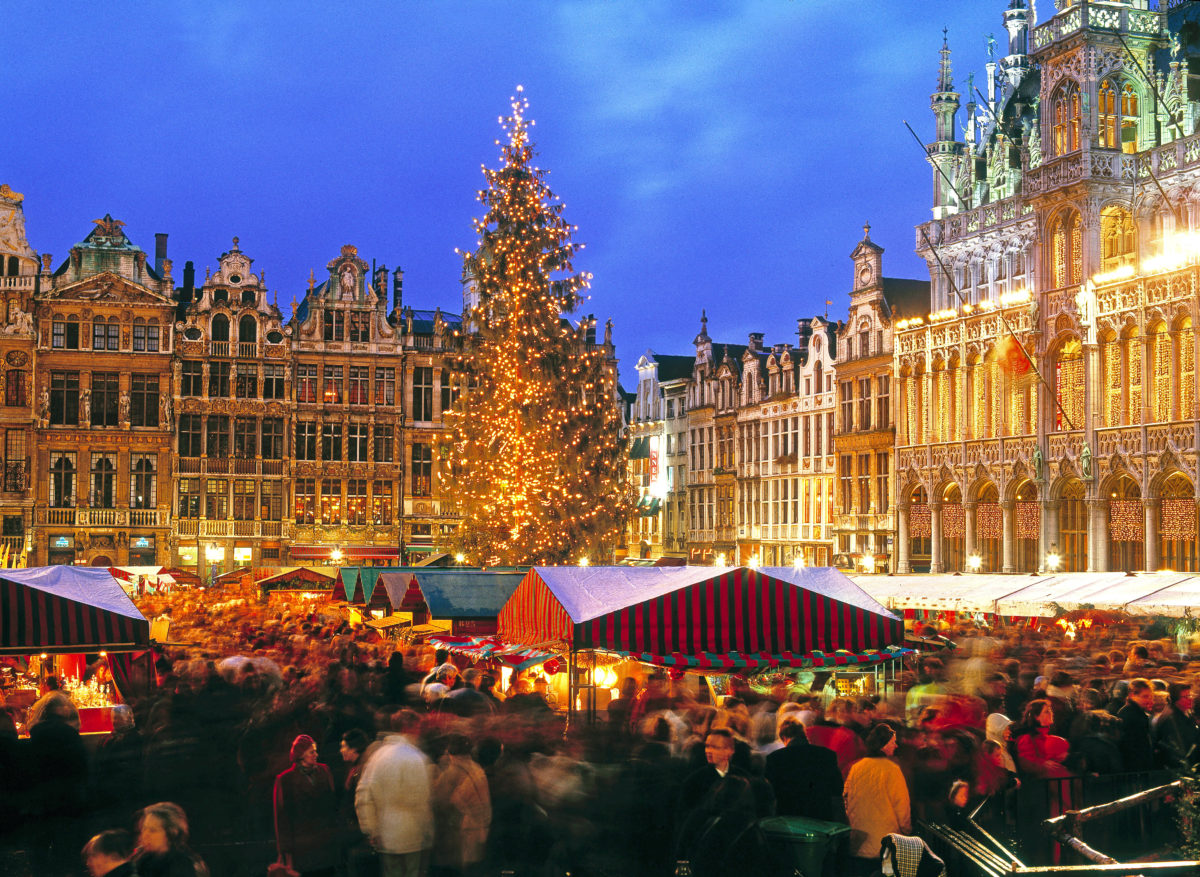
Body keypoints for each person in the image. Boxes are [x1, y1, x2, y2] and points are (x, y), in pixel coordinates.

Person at [356, 709, 434, 877]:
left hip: (386, 836)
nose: (420, 732)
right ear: (408, 728)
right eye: (418, 728)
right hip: (412, 835)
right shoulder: (416, 758)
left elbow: (363, 797)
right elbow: (421, 799)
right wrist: (428, 832)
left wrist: (371, 830)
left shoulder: (377, 757)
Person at [675, 728, 762, 877]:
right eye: (707, 746)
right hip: (705, 852)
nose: (708, 751)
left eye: (715, 747)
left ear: (730, 751)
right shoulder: (694, 781)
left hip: (736, 852)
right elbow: (683, 820)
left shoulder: (744, 777)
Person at [843, 724, 911, 874]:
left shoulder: (856, 768)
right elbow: (902, 806)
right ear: (884, 745)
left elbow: (846, 797)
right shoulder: (892, 770)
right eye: (893, 742)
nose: (896, 745)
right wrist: (906, 831)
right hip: (885, 844)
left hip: (859, 842)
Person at [274, 734, 340, 877]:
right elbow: (282, 818)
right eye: (312, 752)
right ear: (301, 755)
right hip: (303, 846)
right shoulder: (285, 779)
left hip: (325, 841)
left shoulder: (324, 771)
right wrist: (284, 851)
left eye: (315, 751)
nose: (316, 755)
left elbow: (332, 804)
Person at [431, 733, 492, 876]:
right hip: (480, 826)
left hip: (462, 831)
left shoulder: (453, 772)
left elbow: (440, 801)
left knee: (460, 869)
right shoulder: (476, 767)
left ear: (450, 751)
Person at [763, 720, 844, 821]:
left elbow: (769, 795)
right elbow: (837, 790)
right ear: (804, 734)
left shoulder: (774, 759)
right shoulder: (827, 755)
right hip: (821, 818)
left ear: (783, 738)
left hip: (788, 820)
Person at [134, 802, 210, 877]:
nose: (145, 835)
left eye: (153, 830)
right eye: (144, 828)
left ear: (172, 833)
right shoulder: (143, 860)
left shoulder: (185, 866)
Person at [1012, 699, 1071, 778]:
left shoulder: (1043, 735)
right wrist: (1043, 763)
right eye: (1047, 711)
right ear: (1036, 717)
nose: (1051, 713)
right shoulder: (1026, 737)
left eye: (1050, 710)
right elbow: (1026, 762)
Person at [1154, 682, 1198, 770]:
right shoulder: (1171, 718)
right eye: (1186, 697)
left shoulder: (1185, 711)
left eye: (1190, 695)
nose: (1190, 699)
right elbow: (1177, 749)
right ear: (1175, 699)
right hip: (1179, 769)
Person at [1119, 678, 1157, 771]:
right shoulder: (1131, 715)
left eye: (1150, 697)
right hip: (1135, 768)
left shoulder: (1135, 712)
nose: (1149, 700)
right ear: (1132, 695)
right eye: (1145, 697)